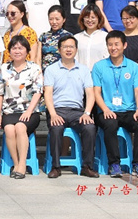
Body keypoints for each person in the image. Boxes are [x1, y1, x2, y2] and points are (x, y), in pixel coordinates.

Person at [92, 30, 138, 178]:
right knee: (110, 124)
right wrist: (105, 109)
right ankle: (114, 164)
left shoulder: (134, 67)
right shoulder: (99, 67)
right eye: (110, 45)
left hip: (129, 110)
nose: (113, 48)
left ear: (124, 45)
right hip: (107, 110)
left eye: (117, 44)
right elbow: (96, 92)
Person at [43, 35, 100, 178]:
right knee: (56, 128)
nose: (68, 50)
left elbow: (90, 94)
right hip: (57, 110)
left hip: (77, 111)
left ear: (76, 49)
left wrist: (87, 113)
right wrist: (53, 114)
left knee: (89, 127)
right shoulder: (51, 69)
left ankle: (87, 166)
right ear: (59, 49)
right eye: (65, 47)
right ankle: (56, 167)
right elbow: (47, 94)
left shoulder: (84, 70)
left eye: (71, 47)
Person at [0, 35, 43, 179]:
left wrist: (29, 111)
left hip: (30, 111)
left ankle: (22, 164)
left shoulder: (34, 68)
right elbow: (0, 92)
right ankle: (16, 163)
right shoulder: (4, 68)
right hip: (9, 110)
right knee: (9, 129)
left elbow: (38, 92)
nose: (17, 51)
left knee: (20, 127)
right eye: (14, 48)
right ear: (9, 51)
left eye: (21, 48)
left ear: (27, 51)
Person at [2, 0, 39, 64]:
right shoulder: (7, 34)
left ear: (22, 14)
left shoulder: (29, 32)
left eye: (13, 13)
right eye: (7, 13)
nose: (9, 16)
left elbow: (33, 57)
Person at [74, 4, 110, 70]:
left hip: (100, 73)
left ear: (99, 19)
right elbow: (75, 59)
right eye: (87, 17)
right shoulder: (76, 37)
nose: (90, 20)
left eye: (93, 17)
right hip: (81, 74)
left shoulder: (105, 37)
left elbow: (107, 58)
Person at [35, 6, 71, 70]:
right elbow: (38, 58)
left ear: (64, 20)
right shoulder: (43, 36)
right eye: (51, 19)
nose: (54, 22)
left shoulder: (68, 36)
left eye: (57, 19)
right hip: (45, 72)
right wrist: (39, 72)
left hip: (62, 71)